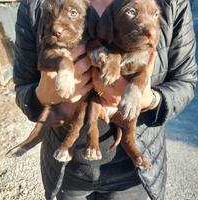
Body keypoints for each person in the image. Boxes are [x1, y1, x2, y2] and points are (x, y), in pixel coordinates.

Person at [13, 0, 197, 200]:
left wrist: (149, 100)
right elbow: (23, 87)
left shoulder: (172, 3)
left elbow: (186, 82)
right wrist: (43, 95)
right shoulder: (35, 5)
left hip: (131, 177)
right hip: (67, 171)